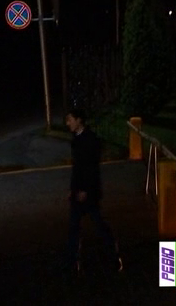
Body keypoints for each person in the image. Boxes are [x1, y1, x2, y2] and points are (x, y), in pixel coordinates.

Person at [64, 109, 122, 274]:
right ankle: (73, 257)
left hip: (88, 191)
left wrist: (84, 189)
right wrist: (73, 189)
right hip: (80, 190)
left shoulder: (90, 140)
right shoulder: (77, 139)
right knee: (76, 223)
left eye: (70, 120)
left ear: (79, 120)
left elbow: (90, 168)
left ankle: (110, 247)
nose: (68, 123)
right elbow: (77, 167)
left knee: (95, 221)